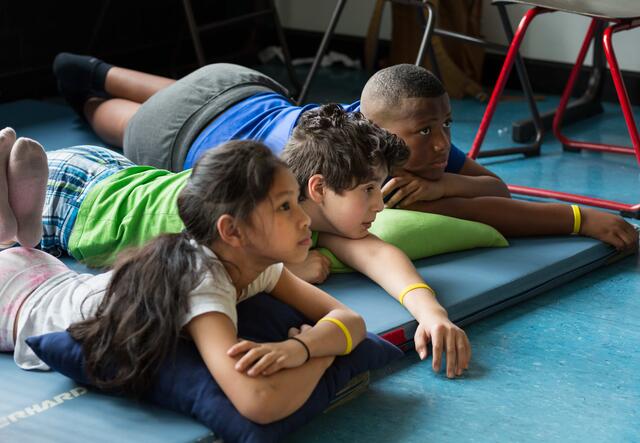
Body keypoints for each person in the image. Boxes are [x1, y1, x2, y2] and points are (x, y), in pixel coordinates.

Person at [0, 106, 473, 378]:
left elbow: (378, 253)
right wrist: (292, 272)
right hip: (74, 201)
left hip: (116, 170)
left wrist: (432, 314)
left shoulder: (296, 214)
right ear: (318, 190)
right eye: (370, 190)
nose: (381, 205)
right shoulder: (235, 223)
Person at [52, 54, 638, 250]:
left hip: (241, 84)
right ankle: (89, 88)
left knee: (199, 92)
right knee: (110, 122)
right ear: (376, 126)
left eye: (444, 128)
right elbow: (488, 210)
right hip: (177, 132)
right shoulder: (352, 169)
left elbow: (494, 189)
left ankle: (100, 70)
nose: (438, 145)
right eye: (425, 134)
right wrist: (581, 220)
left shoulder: (410, 137)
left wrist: (443, 183)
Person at [0, 135, 368, 424]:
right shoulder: (203, 283)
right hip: (15, 301)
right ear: (233, 231)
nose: (305, 219)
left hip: (48, 272)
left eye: (296, 202)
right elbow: (258, 402)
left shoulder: (258, 264)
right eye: (285, 207)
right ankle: (12, 225)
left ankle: (16, 227)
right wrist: (323, 356)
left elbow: (351, 320)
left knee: (13, 246)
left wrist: (298, 349)